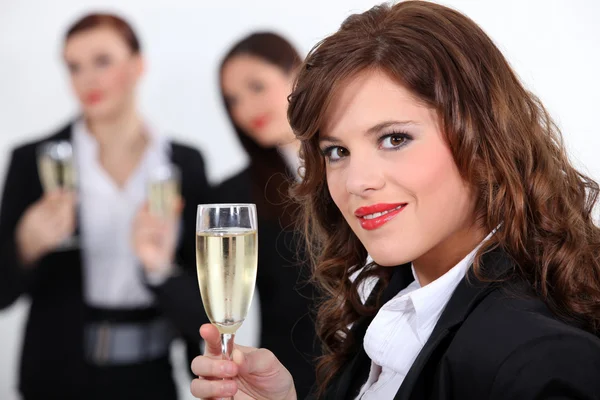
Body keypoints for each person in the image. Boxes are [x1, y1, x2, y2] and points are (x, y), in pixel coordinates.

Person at [189, 1, 600, 399]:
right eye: (337, 151)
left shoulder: (537, 365)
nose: (357, 182)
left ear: (482, 141)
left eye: (394, 139)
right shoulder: (394, 307)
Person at [0, 13, 210, 400]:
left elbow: (206, 307)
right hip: (56, 378)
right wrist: (25, 244)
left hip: (152, 379)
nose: (86, 80)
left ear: (137, 65)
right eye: (73, 67)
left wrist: (160, 267)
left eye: (102, 61)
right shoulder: (30, 161)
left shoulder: (184, 163)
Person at [214, 32, 319, 399]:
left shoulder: (361, 169)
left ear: (297, 73)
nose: (246, 109)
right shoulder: (234, 196)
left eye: (256, 87)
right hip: (290, 382)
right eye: (233, 100)